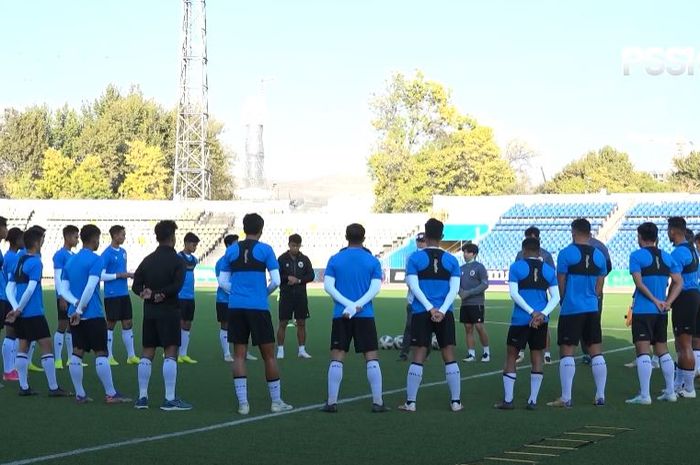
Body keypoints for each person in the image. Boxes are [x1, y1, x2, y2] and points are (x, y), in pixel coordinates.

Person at [217, 213, 293, 415]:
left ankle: (243, 404)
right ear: (261, 229)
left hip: (236, 308)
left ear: (244, 228)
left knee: (239, 355)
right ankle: (276, 402)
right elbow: (276, 281)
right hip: (258, 308)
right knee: (268, 356)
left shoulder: (231, 250)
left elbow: (222, 282)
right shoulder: (265, 250)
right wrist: (262, 293)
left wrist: (237, 293)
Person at [60, 224, 132, 404]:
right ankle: (111, 394)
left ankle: (80, 394)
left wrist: (75, 305)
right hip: (91, 313)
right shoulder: (96, 259)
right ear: (94, 239)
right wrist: (80, 308)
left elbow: (63, 290)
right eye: (98, 239)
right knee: (101, 352)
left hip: (74, 314)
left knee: (77, 352)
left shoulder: (70, 261)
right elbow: (91, 286)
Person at [321, 223, 387, 413]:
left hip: (341, 314)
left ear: (346, 237)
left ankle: (332, 402)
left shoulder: (335, 259)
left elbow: (328, 287)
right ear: (363, 238)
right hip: (365, 314)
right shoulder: (372, 261)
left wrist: (348, 305)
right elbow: (375, 289)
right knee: (371, 356)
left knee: (337, 355)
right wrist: (357, 305)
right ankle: (378, 402)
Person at [399, 218, 462, 413]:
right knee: (448, 354)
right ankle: (456, 402)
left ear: (425, 236)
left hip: (421, 312)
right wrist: (441, 310)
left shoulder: (415, 259)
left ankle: (411, 403)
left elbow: (413, 286)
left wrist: (429, 308)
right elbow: (455, 289)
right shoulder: (452, 260)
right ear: (442, 237)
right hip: (445, 313)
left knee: (418, 354)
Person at [547, 218, 608, 408]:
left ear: (573, 232)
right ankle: (600, 395)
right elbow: (600, 284)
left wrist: (565, 300)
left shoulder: (566, 254)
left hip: (572, 308)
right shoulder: (599, 255)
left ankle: (566, 397)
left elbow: (561, 282)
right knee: (596, 351)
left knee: (567, 351)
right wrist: (593, 297)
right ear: (590, 234)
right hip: (592, 308)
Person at [132, 220, 192, 411]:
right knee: (170, 352)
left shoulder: (148, 259)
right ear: (173, 238)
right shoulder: (178, 261)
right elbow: (177, 286)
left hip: (150, 313)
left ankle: (142, 397)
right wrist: (162, 294)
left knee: (147, 352)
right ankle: (169, 398)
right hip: (169, 311)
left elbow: (135, 285)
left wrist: (145, 293)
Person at [4, 226, 70, 397]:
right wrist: (18, 309)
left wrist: (15, 307)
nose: (43, 242)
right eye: (42, 239)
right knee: (47, 346)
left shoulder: (20, 260)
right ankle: (53, 388)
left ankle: (24, 387)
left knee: (23, 346)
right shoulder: (36, 262)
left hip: (21, 313)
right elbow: (31, 289)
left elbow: (10, 287)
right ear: (36, 241)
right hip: (33, 312)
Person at [495, 238, 559, 410]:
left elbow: (514, 294)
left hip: (520, 319)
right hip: (541, 321)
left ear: (523, 251)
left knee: (511, 356)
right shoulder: (548, 269)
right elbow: (556, 297)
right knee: (537, 356)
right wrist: (542, 314)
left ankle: (508, 400)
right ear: (539, 252)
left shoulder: (516, 267)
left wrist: (531, 313)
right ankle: (533, 400)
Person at [625, 222, 682, 404]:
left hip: (643, 310)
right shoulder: (666, 256)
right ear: (656, 237)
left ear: (640, 237)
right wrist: (667, 302)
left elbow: (639, 284)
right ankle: (671, 392)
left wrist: (655, 300)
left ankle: (644, 395)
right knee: (662, 350)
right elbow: (679, 282)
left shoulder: (636, 256)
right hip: (661, 312)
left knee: (643, 351)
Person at [514, 226, 555, 364]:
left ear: (538, 238)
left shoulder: (546, 255)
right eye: (528, 238)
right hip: (524, 295)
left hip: (540, 295)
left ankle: (547, 352)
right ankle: (520, 351)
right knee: (522, 324)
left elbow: (551, 275)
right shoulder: (520, 254)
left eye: (533, 238)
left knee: (544, 324)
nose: (530, 240)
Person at [668, 216, 699, 397]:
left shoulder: (679, 253)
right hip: (692, 297)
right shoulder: (692, 249)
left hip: (685, 297)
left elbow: (676, 281)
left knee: (685, 343)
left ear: (672, 231)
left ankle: (689, 388)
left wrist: (668, 300)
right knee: (681, 343)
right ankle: (679, 384)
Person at [215, 235, 257, 363]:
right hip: (224, 299)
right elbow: (222, 282)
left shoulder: (240, 260)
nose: (238, 246)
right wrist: (237, 292)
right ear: (228, 246)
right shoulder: (221, 262)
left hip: (239, 299)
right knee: (225, 325)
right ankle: (227, 353)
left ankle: (244, 352)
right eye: (235, 243)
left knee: (244, 325)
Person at [102, 225, 137, 366]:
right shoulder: (106, 254)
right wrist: (120, 275)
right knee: (110, 324)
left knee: (128, 322)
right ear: (115, 235)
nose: (124, 237)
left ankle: (131, 356)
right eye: (122, 234)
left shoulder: (123, 252)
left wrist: (128, 274)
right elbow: (101, 275)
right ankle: (108, 355)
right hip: (112, 295)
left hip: (123, 293)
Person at [276, 234, 315, 360]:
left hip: (300, 295)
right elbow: (277, 276)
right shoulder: (281, 259)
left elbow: (311, 275)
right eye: (293, 245)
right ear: (289, 245)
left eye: (298, 246)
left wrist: (298, 280)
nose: (295, 248)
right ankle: (280, 350)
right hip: (286, 295)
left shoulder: (304, 259)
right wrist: (287, 278)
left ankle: (302, 350)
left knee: (301, 323)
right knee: (283, 322)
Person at [581, 234, 612, 365]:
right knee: (594, 321)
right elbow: (608, 267)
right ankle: (596, 353)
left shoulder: (573, 247)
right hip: (596, 289)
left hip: (579, 289)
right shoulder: (601, 246)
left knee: (579, 321)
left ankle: (587, 352)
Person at [52, 225, 79, 370]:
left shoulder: (74, 256)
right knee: (62, 325)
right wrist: (61, 296)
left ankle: (70, 358)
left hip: (72, 296)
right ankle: (57, 359)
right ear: (67, 237)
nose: (77, 239)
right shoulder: (60, 255)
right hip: (64, 296)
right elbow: (57, 277)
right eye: (75, 236)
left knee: (71, 326)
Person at [398, 233, 428, 361]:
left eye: (422, 241)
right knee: (409, 327)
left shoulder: (431, 256)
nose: (420, 243)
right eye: (418, 241)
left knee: (427, 328)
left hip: (428, 300)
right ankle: (404, 353)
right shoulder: (411, 256)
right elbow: (408, 277)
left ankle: (425, 352)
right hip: (413, 299)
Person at [459, 243, 490, 362]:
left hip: (476, 303)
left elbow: (485, 284)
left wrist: (469, 293)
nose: (465, 254)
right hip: (465, 304)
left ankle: (486, 352)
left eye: (467, 252)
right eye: (464, 252)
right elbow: (456, 284)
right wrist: (460, 292)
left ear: (474, 254)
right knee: (468, 328)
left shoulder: (479, 267)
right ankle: (471, 353)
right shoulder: (460, 268)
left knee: (479, 326)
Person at [2, 227, 23, 382]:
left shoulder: (9, 256)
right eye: (22, 238)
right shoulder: (13, 258)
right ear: (16, 240)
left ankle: (11, 369)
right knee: (12, 333)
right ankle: (9, 370)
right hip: (9, 298)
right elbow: (12, 281)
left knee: (13, 333)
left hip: (7, 298)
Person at [177, 232, 200, 364]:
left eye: (196, 245)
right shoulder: (178, 257)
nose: (195, 246)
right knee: (178, 324)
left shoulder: (194, 260)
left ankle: (183, 353)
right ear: (186, 243)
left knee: (187, 324)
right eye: (193, 244)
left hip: (190, 297)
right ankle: (173, 351)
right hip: (179, 296)